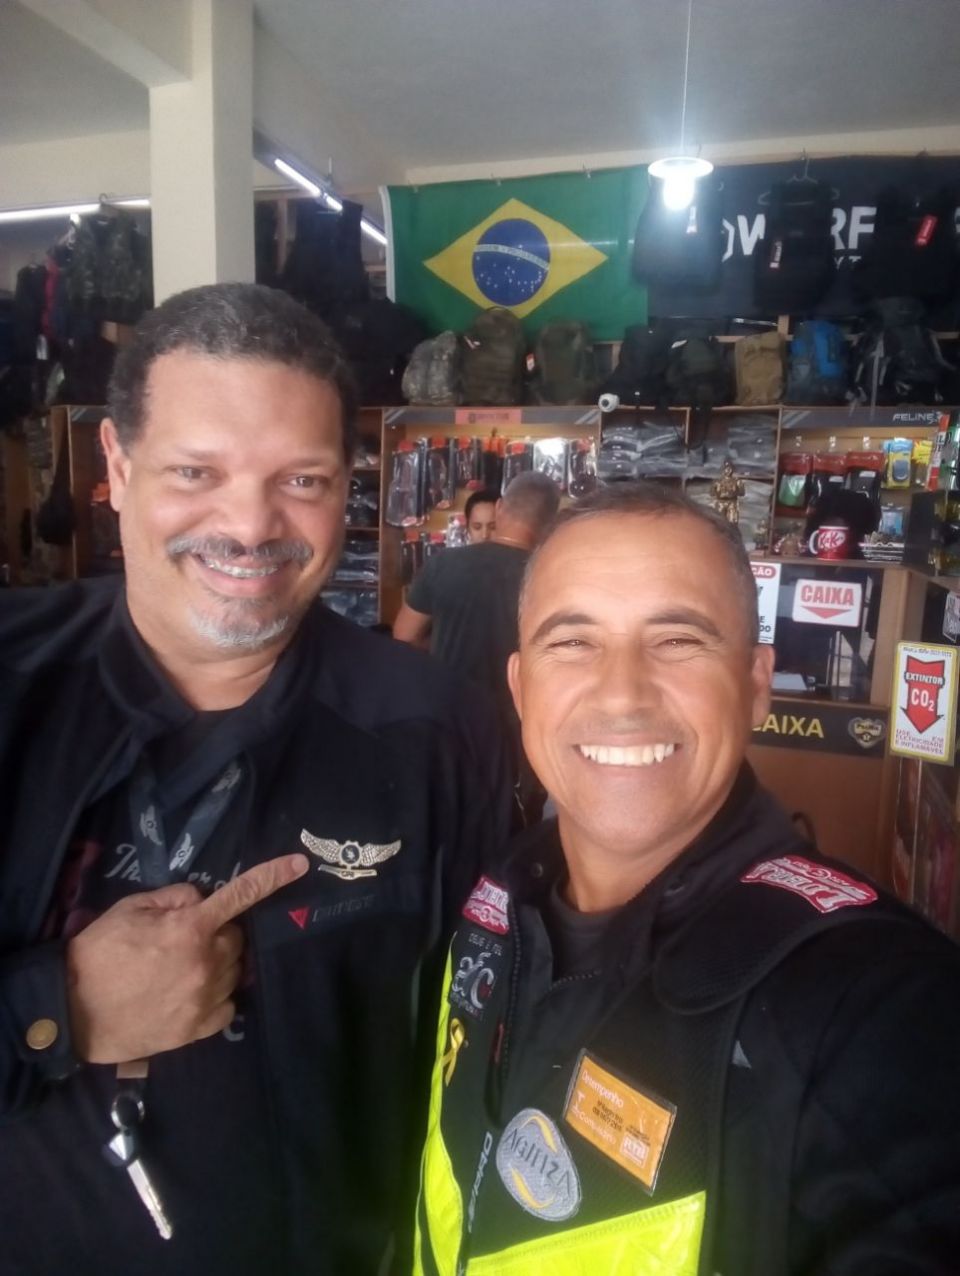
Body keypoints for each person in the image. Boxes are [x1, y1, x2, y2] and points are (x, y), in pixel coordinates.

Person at [0, 283, 511, 1276]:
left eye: (302, 479)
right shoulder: (12, 682)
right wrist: (53, 1011)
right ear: (116, 466)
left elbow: (491, 1033)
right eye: (196, 471)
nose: (248, 524)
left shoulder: (437, 726)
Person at [414, 482, 960, 1276]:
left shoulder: (873, 1006)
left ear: (756, 685)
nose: (622, 694)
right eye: (573, 642)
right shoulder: (496, 901)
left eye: (677, 640)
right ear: (521, 688)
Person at [394, 471, 559, 823]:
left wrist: (441, 648)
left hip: (449, 723)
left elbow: (404, 635)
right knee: (517, 827)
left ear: (499, 508)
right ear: (549, 524)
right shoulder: (551, 577)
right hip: (520, 737)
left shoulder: (444, 564)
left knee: (446, 821)